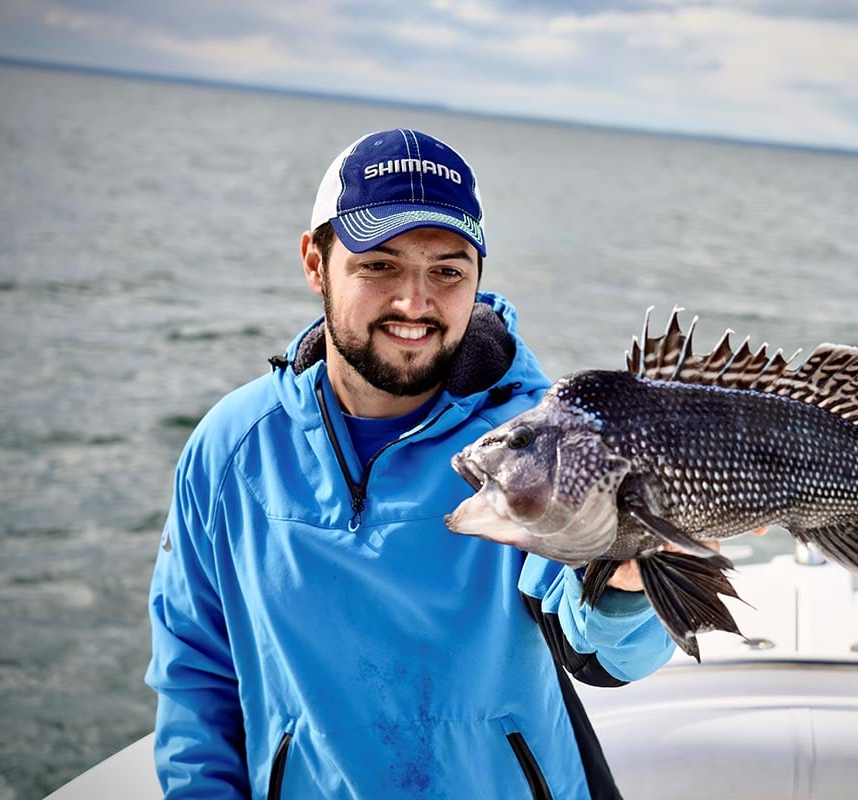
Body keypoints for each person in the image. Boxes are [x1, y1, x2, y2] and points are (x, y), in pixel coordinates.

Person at [145, 128, 676, 799]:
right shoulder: (231, 447)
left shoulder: (535, 441)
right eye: (380, 265)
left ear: (477, 279)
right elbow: (195, 671)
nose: (415, 304)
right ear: (316, 263)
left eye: (447, 271)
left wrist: (630, 580)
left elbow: (603, 650)